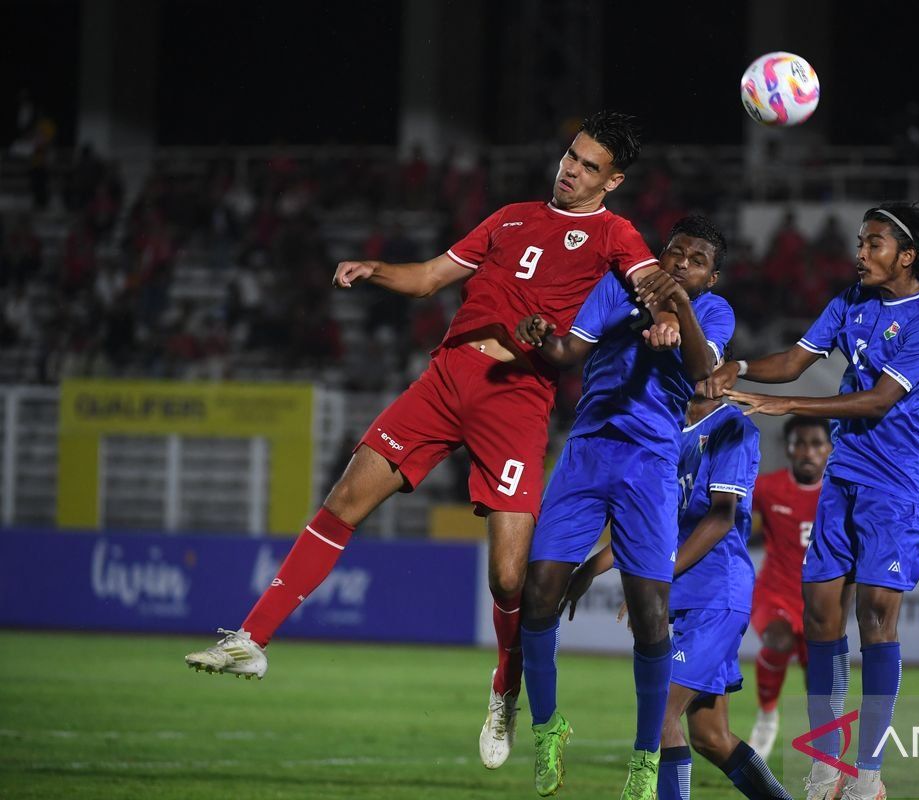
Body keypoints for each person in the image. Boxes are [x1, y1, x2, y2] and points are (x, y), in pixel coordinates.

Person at [184, 111, 673, 771]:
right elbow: (427, 277)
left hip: (517, 398)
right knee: (345, 498)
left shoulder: (614, 232)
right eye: (570, 155)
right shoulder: (509, 217)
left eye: (588, 166)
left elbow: (650, 279)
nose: (571, 168)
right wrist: (373, 270)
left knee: (508, 578)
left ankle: (505, 688)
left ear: (611, 181)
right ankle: (253, 637)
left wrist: (667, 315)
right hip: (448, 377)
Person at [700, 202, 919, 800]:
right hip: (843, 478)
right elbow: (796, 361)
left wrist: (785, 405)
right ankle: (828, 766)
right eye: (859, 242)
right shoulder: (849, 301)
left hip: (896, 484)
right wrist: (737, 368)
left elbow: (877, 400)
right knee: (821, 616)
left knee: (877, 614)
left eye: (873, 244)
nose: (860, 253)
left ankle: (868, 775)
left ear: (907, 256)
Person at [513, 215, 733, 798]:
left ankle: (643, 758)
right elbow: (567, 350)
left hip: (650, 466)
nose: (682, 262)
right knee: (537, 592)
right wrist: (541, 334)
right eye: (675, 253)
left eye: (697, 259)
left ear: (712, 277)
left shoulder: (713, 312)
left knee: (649, 615)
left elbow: (701, 370)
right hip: (587, 452)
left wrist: (678, 310)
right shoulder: (616, 287)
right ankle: (548, 727)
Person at [562, 394, 794, 800]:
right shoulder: (670, 435)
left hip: (717, 595)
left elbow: (722, 518)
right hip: (692, 603)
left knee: (660, 712)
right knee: (711, 737)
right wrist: (588, 570)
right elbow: (651, 528)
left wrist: (658, 582)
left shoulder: (731, 427)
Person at [748, 416, 833, 760]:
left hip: (820, 602)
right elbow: (728, 513)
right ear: (788, 448)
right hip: (775, 592)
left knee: (817, 677)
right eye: (800, 443)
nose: (808, 452)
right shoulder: (768, 488)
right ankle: (767, 717)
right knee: (777, 640)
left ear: (829, 449)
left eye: (816, 444)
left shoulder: (839, 494)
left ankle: (819, 745)